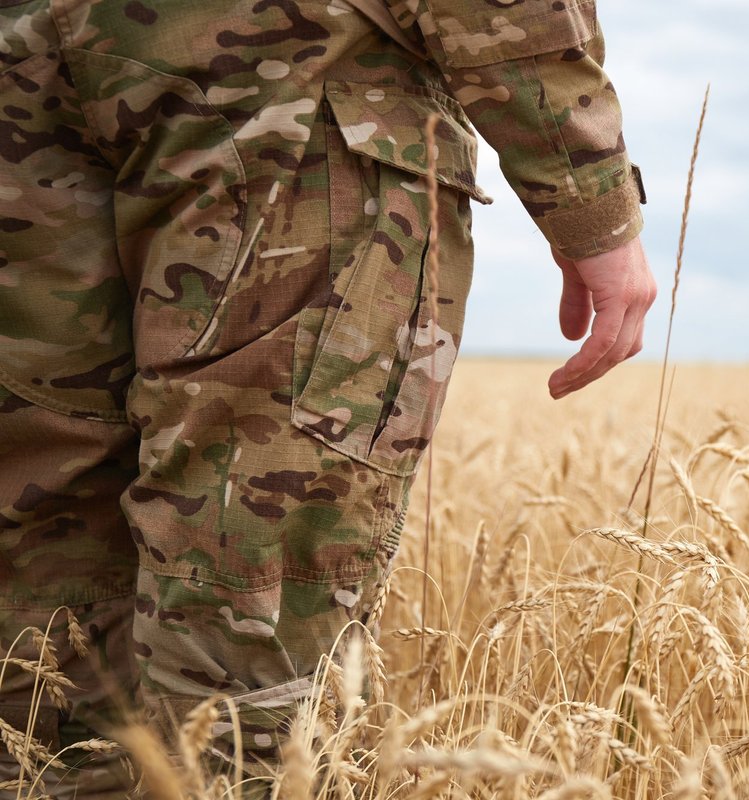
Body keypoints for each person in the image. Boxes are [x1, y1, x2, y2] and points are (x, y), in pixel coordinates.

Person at [0, 0, 655, 794]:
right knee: (253, 592)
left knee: (43, 589)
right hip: (285, 68)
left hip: (27, 63)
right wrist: (589, 193)